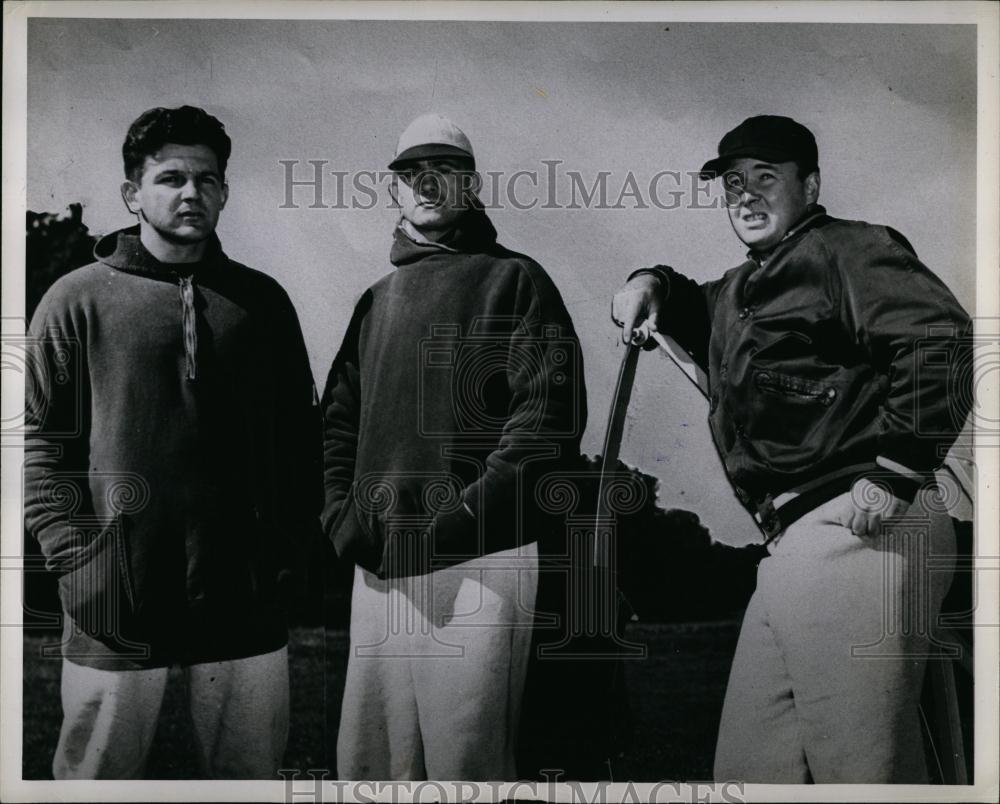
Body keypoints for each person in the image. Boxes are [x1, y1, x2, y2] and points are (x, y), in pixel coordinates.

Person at [611, 115, 972, 783]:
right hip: (792, 546)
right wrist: (647, 281)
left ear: (809, 186)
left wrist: (894, 471)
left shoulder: (847, 250)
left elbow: (940, 338)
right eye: (732, 185)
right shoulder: (739, 290)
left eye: (765, 179)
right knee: (753, 772)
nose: (745, 197)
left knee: (863, 774)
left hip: (860, 525)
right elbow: (689, 301)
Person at [23, 105, 321, 779]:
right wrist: (79, 566)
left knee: (247, 781)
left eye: (208, 179)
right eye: (171, 178)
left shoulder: (263, 304)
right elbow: (38, 447)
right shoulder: (75, 300)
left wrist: (285, 560)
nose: (192, 192)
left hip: (243, 604)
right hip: (114, 603)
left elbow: (302, 449)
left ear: (225, 191)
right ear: (133, 194)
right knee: (94, 783)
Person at [322, 113, 586, 780]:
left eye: (445, 169)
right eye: (411, 172)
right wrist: (342, 520)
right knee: (372, 767)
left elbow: (544, 424)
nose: (427, 182)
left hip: (481, 562)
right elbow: (336, 426)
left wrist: (459, 520)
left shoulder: (516, 280)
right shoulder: (374, 301)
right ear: (395, 189)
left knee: (464, 771)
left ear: (471, 186)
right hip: (379, 565)